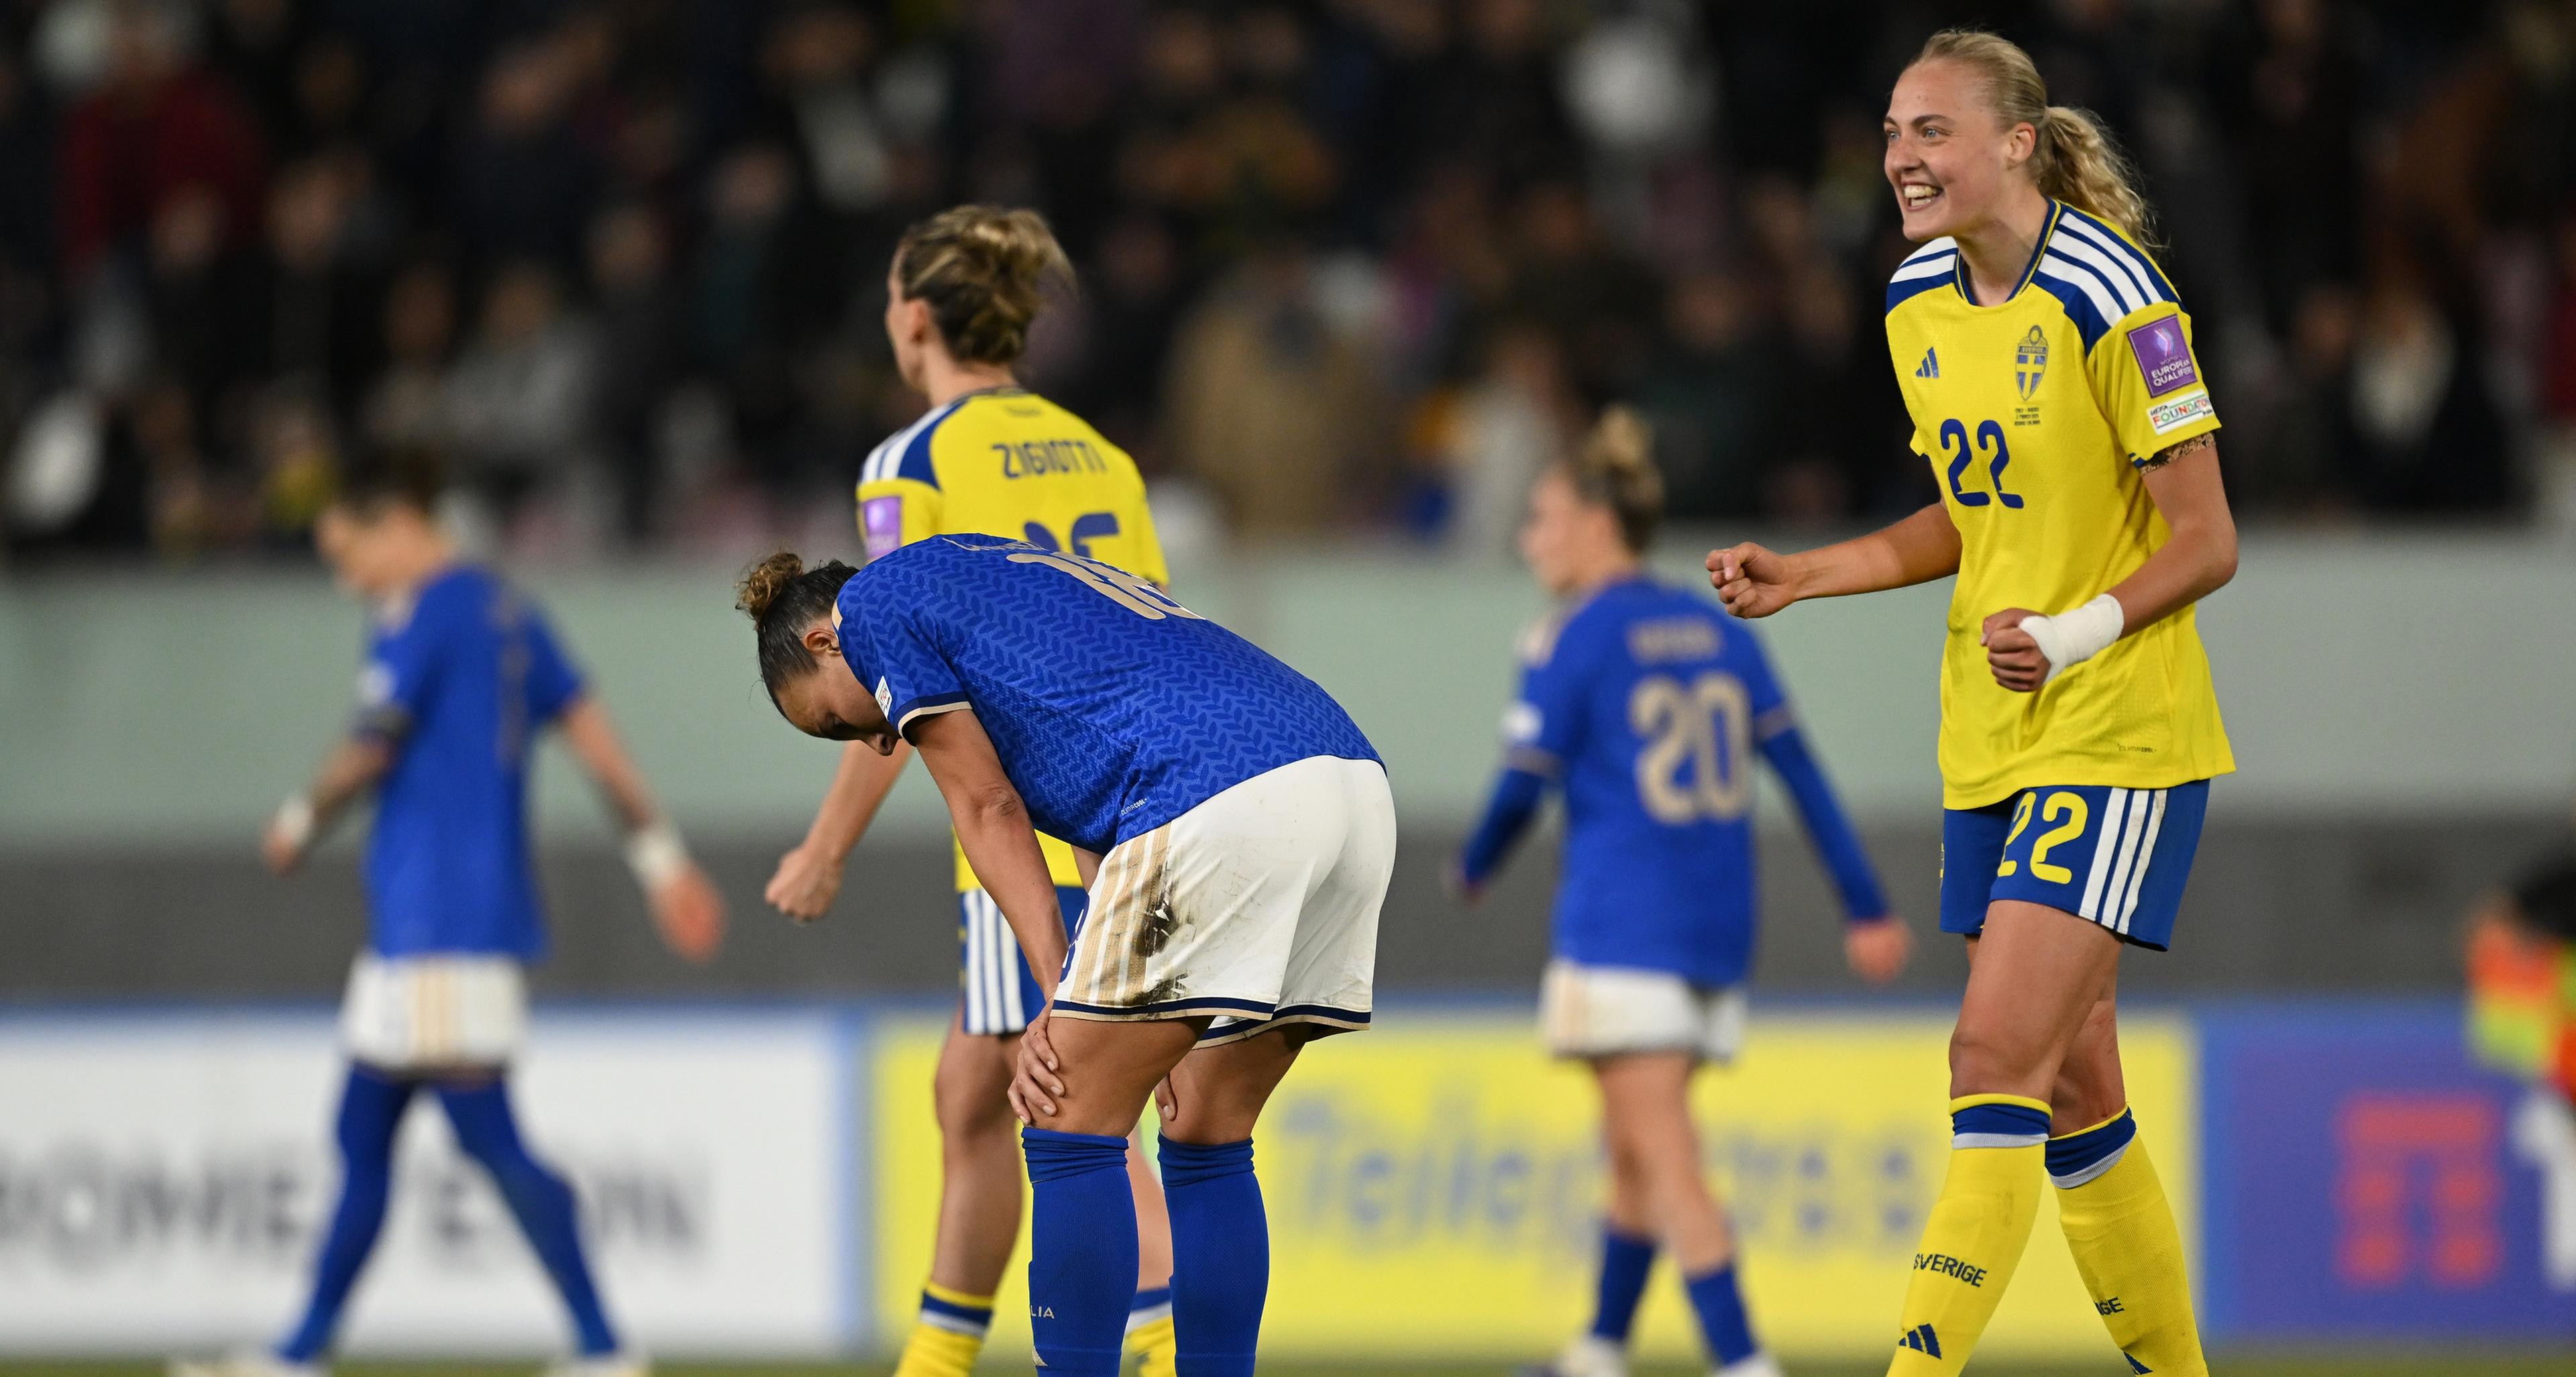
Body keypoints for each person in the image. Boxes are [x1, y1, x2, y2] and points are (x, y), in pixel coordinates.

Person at [1706, 31, 2236, 1377]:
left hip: (2113, 723)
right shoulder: (1913, 301)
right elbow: (1973, 511)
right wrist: (1807, 573)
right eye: (1892, 131)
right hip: (1988, 731)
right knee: (2074, 1083)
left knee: (1993, 1048)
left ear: (2014, 143)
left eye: (1931, 130)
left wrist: (2070, 634)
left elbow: (2207, 537)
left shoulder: (2117, 296)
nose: (1900, 156)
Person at [737, 537, 1392, 1377]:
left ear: (823, 641)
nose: (872, 744)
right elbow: (1102, 815)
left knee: (1063, 1111)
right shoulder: (991, 571)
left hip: (1214, 790)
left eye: (835, 721)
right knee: (1206, 1129)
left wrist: (1059, 990)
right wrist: (1108, 997)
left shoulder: (870, 607)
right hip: (1348, 784)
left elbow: (987, 805)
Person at [172, 453, 725, 1377]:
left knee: (487, 1136)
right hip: (436, 921)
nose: (348, 581)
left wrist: (299, 819)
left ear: (397, 524)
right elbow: (600, 745)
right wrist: (660, 859)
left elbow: (369, 751)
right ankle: (297, 1352)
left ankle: (604, 1346)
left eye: (349, 555)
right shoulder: (512, 612)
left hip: (439, 918)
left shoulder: (421, 615)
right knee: (361, 1133)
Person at [757, 205, 1181, 1377]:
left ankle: (1151, 1347)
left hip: (1015, 815)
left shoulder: (913, 463)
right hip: (1121, 800)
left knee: (1072, 1099)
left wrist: (827, 843)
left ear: (912, 318)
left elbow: (884, 664)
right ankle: (942, 1355)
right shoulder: (1104, 454)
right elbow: (1148, 630)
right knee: (973, 1085)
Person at [1457, 409, 1911, 1377]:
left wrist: (1476, 865)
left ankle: (1745, 1361)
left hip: (1624, 927)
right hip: (1714, 930)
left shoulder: (1570, 638)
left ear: (1592, 522)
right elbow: (1803, 775)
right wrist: (1865, 903)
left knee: (1664, 1156)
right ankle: (1600, 1350)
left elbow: (1518, 786)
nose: (1532, 539)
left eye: (1543, 517)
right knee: (1634, 1148)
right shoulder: (1716, 632)